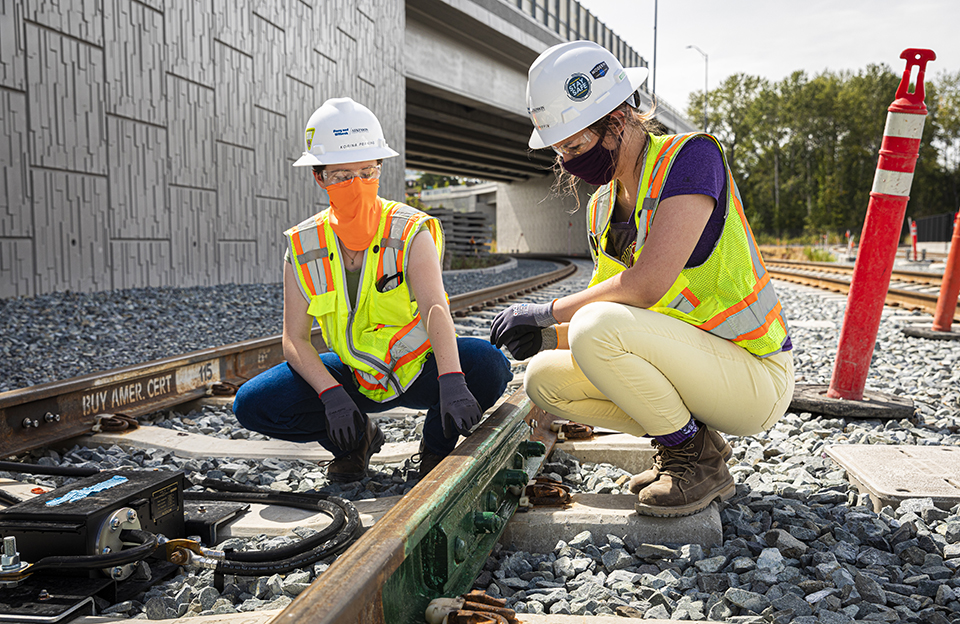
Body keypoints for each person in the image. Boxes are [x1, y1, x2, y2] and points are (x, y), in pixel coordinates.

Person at [491, 41, 794, 518]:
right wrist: (547, 337)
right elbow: (620, 312)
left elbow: (646, 285)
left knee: (594, 328)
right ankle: (692, 444)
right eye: (559, 150)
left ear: (617, 120)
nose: (569, 161)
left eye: (574, 145)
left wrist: (545, 312)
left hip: (752, 374)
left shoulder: (690, 158)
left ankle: (693, 463)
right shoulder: (603, 207)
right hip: (690, 368)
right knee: (544, 378)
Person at [234, 97, 512, 482]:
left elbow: (434, 306)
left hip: (416, 366)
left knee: (487, 364)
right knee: (254, 403)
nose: (358, 185)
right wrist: (330, 395)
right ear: (320, 176)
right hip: (353, 374)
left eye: (368, 171)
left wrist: (451, 379)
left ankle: (435, 446)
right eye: (343, 175)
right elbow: (294, 339)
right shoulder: (303, 244)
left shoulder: (409, 229)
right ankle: (355, 442)